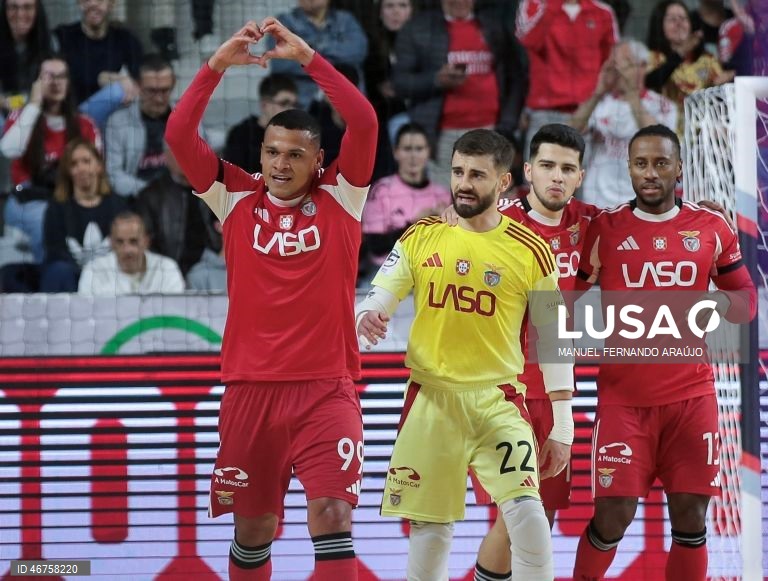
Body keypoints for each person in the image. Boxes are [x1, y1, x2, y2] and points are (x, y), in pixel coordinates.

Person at [164, 18, 377, 581]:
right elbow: (179, 136)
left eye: (295, 155)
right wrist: (214, 67)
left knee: (332, 516)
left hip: (325, 389)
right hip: (250, 391)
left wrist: (309, 58)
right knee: (253, 530)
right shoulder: (232, 195)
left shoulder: (342, 195)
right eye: (272, 152)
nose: (281, 165)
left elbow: (364, 119)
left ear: (318, 160)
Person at [356, 128, 574, 580]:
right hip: (432, 400)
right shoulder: (422, 236)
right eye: (457, 172)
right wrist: (370, 313)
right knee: (431, 533)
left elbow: (554, 337)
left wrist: (564, 421)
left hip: (498, 400)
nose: (463, 183)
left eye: (477, 174)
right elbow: (382, 292)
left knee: (529, 519)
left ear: (503, 183)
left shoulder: (533, 250)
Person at [572, 124, 757, 581]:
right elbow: (566, 305)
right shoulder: (603, 228)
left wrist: (699, 311)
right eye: (640, 163)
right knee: (612, 517)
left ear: (679, 169)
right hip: (622, 402)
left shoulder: (712, 227)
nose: (650, 173)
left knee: (692, 517)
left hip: (692, 400)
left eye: (660, 163)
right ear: (629, 168)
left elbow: (746, 301)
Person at [392, 0, 527, 188]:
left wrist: (507, 124)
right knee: (444, 204)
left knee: (486, 200)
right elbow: (400, 83)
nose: (460, 2)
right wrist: (436, 80)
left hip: (490, 130)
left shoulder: (493, 26)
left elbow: (515, 76)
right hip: (441, 135)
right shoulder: (418, 28)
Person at [0, 55, 101, 265]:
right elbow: (10, 150)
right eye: (48, 77)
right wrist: (34, 104)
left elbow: (97, 172)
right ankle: (50, 280)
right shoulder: (21, 117)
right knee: (47, 218)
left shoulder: (85, 124)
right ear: (36, 82)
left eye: (62, 76)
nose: (56, 83)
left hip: (71, 197)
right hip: (27, 200)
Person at [570, 39, 677, 209]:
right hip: (596, 201)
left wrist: (632, 95)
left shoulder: (663, 105)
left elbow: (658, 141)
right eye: (613, 64)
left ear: (642, 67)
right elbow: (570, 132)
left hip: (640, 202)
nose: (618, 70)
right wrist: (598, 91)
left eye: (624, 64)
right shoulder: (600, 103)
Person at [516, 0, 618, 159]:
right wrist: (554, 5)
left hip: (587, 113)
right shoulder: (533, 4)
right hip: (544, 113)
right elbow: (529, 41)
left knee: (582, 181)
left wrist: (599, 114)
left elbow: (609, 66)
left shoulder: (602, 12)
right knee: (538, 180)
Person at [362, 122, 451, 269]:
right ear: (395, 152)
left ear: (428, 152)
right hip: (387, 271)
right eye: (407, 149)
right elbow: (375, 246)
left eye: (419, 149)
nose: (413, 156)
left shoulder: (443, 195)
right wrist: (414, 225)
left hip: (431, 270)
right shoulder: (382, 190)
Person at [41, 138, 126, 292]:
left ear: (99, 166)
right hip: (71, 277)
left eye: (86, 161)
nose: (81, 168)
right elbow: (55, 252)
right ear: (68, 171)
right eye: (74, 164)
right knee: (58, 270)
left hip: (111, 277)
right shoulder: (56, 209)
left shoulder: (119, 205)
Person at [645, 0, 731, 135]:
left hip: (700, 141)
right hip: (664, 137)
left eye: (683, 18)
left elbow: (722, 97)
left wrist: (728, 79)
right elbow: (651, 82)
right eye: (672, 19)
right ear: (660, 25)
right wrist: (680, 53)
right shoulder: (652, 58)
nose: (679, 23)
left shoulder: (707, 60)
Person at [54, 0, 143, 129]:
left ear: (111, 4)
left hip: (115, 123)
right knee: (116, 91)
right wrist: (104, 78)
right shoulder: (63, 36)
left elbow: (136, 84)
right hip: (71, 119)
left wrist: (116, 80)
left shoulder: (127, 40)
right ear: (79, 2)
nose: (93, 4)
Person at [135, 142, 217, 276]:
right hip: (166, 274)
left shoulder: (218, 190)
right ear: (166, 157)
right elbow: (145, 244)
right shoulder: (151, 196)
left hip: (210, 272)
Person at [268, 0, 368, 109]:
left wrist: (311, 51)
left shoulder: (345, 20)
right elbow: (280, 62)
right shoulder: (284, 22)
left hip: (344, 104)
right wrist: (330, 64)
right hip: (302, 105)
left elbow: (358, 51)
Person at [105, 53, 176, 197]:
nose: (159, 98)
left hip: (179, 199)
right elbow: (113, 174)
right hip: (136, 199)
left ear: (173, 85)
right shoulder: (117, 122)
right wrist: (151, 192)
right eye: (152, 91)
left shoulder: (188, 118)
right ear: (138, 86)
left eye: (164, 90)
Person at [77, 210, 185, 296]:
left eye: (134, 241)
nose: (127, 250)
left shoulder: (167, 269)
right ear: (111, 243)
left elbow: (175, 315)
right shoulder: (93, 271)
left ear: (146, 242)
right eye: (120, 242)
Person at [222, 73, 298, 174]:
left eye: (294, 104)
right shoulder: (242, 134)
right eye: (284, 103)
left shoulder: (296, 136)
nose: (291, 110)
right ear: (265, 104)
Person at [0, 0, 54, 116]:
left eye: (27, 7)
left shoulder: (50, 43)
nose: (20, 14)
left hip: (39, 114)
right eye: (13, 7)